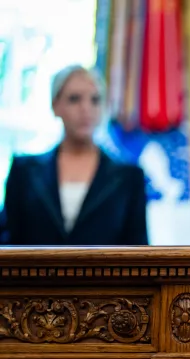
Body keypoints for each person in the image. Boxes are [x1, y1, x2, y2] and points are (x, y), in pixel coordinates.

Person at [2, 66, 148, 246]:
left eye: (95, 100)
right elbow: (8, 243)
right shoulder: (24, 172)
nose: (85, 109)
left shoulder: (128, 178)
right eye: (74, 99)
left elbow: (139, 252)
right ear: (55, 105)